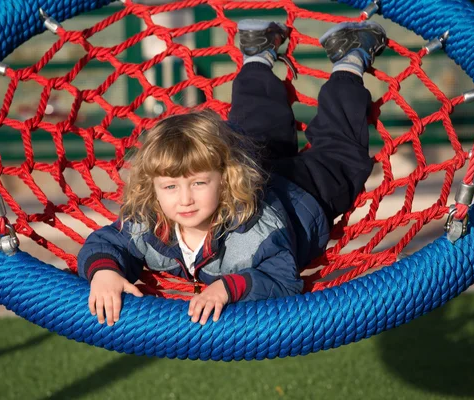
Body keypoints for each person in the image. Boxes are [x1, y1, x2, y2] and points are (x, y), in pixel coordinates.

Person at [77, 19, 386, 326]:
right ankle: (257, 54)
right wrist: (105, 273)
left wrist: (228, 287)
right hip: (253, 171)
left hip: (304, 192)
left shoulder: (256, 234)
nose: (184, 199)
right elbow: (107, 242)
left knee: (341, 155)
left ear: (226, 178)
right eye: (170, 187)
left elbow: (283, 278)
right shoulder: (150, 222)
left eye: (198, 183)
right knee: (257, 131)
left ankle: (350, 57)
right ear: (152, 188)